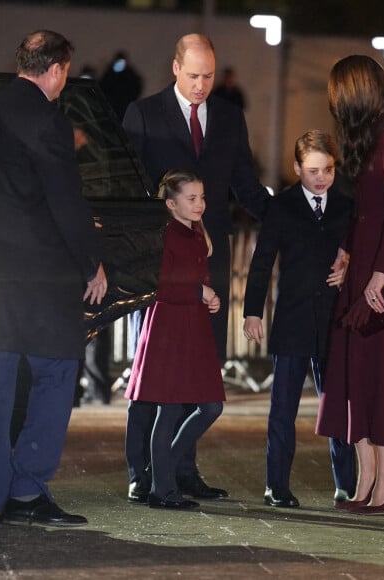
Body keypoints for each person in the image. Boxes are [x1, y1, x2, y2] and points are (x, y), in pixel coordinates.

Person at [0, 30, 107, 527]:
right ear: (58, 67)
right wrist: (92, 263)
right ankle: (26, 489)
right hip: (40, 275)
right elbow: (66, 204)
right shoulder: (50, 122)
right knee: (59, 371)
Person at [122, 33, 270, 503]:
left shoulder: (229, 117)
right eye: (193, 76)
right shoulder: (143, 115)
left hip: (211, 256)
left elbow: (246, 182)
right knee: (157, 371)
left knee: (199, 369)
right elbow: (130, 187)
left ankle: (183, 471)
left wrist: (287, 219)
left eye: (209, 75)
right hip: (163, 261)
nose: (202, 84)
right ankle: (140, 472)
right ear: (174, 68)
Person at [316, 55, 384, 515]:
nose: (333, 100)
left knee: (380, 373)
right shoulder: (369, 134)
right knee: (354, 372)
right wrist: (345, 249)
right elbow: (365, 211)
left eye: (338, 91)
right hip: (364, 267)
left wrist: (377, 273)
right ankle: (367, 480)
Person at [243, 130, 355, 508]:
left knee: (338, 404)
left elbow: (360, 250)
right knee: (282, 409)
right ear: (296, 169)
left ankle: (347, 483)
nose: (321, 177)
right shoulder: (282, 207)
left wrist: (349, 265)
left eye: (328, 169)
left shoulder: (346, 205)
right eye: (312, 170)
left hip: (334, 319)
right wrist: (252, 312)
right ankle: (276, 485)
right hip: (292, 319)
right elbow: (261, 263)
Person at [125, 170, 225, 509]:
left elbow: (195, 278)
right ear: (171, 204)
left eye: (202, 197)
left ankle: (159, 469)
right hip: (169, 329)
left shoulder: (196, 233)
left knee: (210, 406)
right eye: (192, 198)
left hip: (192, 328)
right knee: (168, 411)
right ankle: (162, 490)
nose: (200, 204)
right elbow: (158, 284)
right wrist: (199, 291)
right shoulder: (166, 234)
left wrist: (209, 297)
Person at [99, 50, 144, 121]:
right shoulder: (109, 74)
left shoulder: (130, 75)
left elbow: (137, 86)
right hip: (112, 109)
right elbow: (102, 87)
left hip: (125, 108)